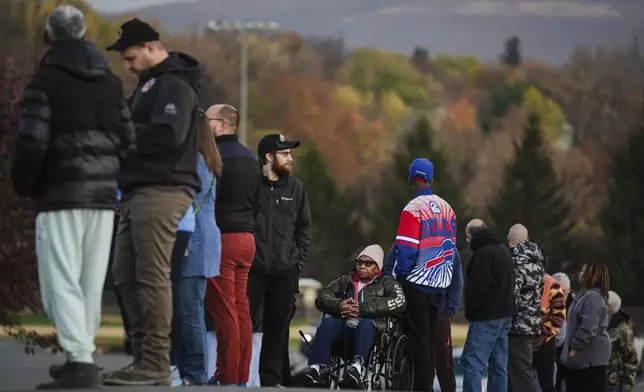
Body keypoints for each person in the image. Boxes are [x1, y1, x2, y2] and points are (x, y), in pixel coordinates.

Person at [10, 5, 136, 389]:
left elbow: (32, 142)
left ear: (50, 35)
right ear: (83, 35)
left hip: (60, 192)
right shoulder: (111, 83)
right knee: (88, 281)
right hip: (102, 194)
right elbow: (129, 141)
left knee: (58, 280)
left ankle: (80, 359)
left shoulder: (44, 81)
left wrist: (24, 183)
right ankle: (77, 354)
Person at [104, 18, 202, 385]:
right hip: (138, 190)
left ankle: (156, 363)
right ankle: (143, 357)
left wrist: (120, 133)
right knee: (124, 275)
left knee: (150, 275)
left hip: (163, 189)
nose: (126, 65)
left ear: (150, 47)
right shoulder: (149, 84)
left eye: (130, 57)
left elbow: (167, 135)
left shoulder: (173, 84)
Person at [385, 158, 457, 392]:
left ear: (410, 180)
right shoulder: (448, 209)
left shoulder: (412, 210)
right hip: (440, 285)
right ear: (431, 179)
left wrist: (401, 275)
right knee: (429, 342)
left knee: (418, 343)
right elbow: (450, 251)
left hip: (416, 285)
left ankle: (420, 387)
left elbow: (405, 249)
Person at [248, 133, 312, 387]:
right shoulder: (252, 186)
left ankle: (271, 381)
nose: (290, 158)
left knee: (278, 330)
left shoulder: (296, 188)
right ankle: (247, 378)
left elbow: (304, 229)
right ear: (268, 157)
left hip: (285, 272)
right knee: (248, 327)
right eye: (284, 153)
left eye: (289, 153)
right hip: (254, 270)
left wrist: (296, 263)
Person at [203, 104, 260, 386]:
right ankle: (241, 376)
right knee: (240, 308)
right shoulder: (251, 158)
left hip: (222, 238)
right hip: (247, 239)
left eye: (208, 120)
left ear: (223, 124)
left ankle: (225, 375)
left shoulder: (214, 156)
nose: (205, 125)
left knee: (224, 311)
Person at [170, 112, 224, 386]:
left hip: (195, 241)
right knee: (193, 308)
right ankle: (192, 369)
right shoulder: (209, 158)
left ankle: (195, 372)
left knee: (190, 310)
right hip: (206, 240)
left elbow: (187, 198)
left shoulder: (196, 160)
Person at [305, 245, 407, 389]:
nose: (362, 266)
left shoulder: (387, 283)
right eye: (359, 262)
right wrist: (340, 305)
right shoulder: (345, 281)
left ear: (377, 268)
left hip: (373, 332)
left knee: (365, 323)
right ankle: (316, 369)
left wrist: (363, 309)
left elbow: (400, 301)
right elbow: (322, 297)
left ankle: (357, 369)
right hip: (346, 328)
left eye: (368, 263)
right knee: (328, 323)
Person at [460, 219, 516, 392]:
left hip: (487, 316)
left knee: (472, 362)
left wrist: (471, 312)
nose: (469, 243)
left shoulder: (483, 254)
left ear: (473, 236)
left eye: (468, 239)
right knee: (499, 366)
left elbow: (478, 289)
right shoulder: (502, 250)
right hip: (505, 315)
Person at [560, 263, 611, 392]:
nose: (580, 274)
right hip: (580, 363)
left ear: (592, 276)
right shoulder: (583, 295)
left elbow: (588, 328)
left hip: (590, 363)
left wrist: (573, 348)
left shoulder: (594, 297)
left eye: (583, 272)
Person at [506, 224, 545, 392]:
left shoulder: (516, 262)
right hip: (531, 322)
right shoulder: (537, 261)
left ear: (510, 239)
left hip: (518, 324)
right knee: (523, 369)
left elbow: (512, 295)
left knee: (520, 372)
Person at [433, 248, 464, 392]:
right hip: (417, 311)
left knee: (444, 361)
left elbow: (456, 281)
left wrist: (449, 312)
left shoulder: (450, 248)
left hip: (440, 313)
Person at [533, 270, 566, 392]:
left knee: (546, 385)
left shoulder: (553, 285)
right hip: (523, 341)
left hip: (545, 341)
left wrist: (540, 337)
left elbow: (558, 318)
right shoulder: (521, 279)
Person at [605, 291, 638, 392]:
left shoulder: (624, 329)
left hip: (613, 384)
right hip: (596, 381)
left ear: (609, 307)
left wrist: (627, 386)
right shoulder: (597, 322)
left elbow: (630, 359)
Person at [552, 272, 573, 392]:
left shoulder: (575, 307)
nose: (559, 295)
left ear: (569, 290)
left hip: (567, 357)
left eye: (563, 291)